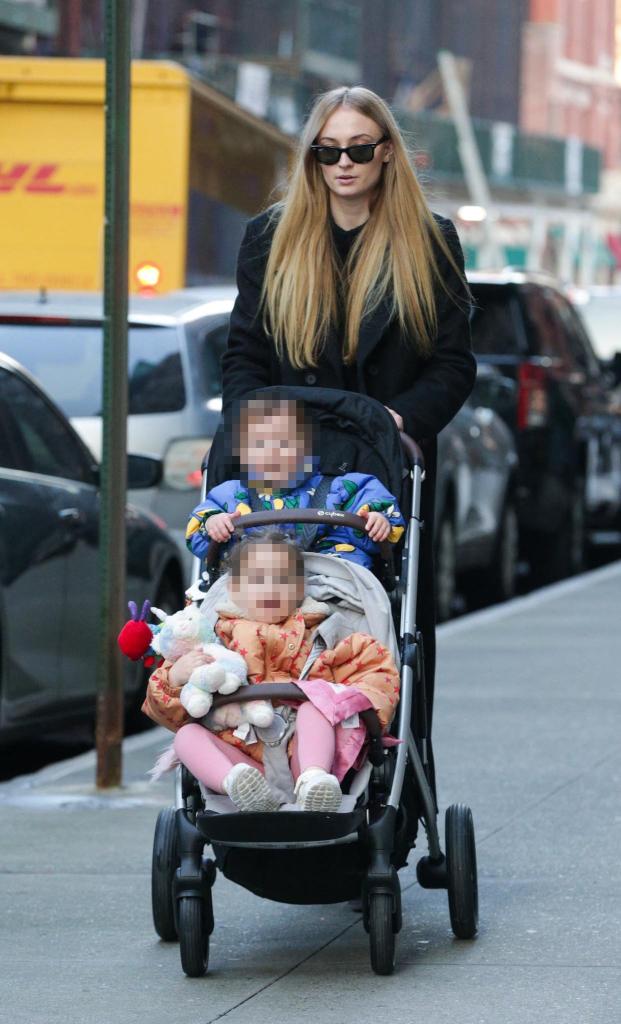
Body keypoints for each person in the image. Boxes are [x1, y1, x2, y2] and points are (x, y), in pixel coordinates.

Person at [220, 85, 476, 795]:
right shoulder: (270, 238)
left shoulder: (429, 240)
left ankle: (391, 782)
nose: (342, 163)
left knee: (391, 631)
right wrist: (248, 434)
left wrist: (398, 423)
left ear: (385, 152)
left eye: (358, 149)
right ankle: (267, 766)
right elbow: (244, 355)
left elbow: (453, 364)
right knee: (269, 610)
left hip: (383, 466)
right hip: (283, 464)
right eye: (327, 151)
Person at [143, 532, 400, 813]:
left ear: (300, 588)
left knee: (319, 706)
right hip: (245, 758)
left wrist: (352, 707)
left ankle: (313, 782)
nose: (269, 589)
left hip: (309, 755)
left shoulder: (325, 634)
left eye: (281, 580)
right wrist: (177, 676)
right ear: (236, 590)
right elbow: (167, 711)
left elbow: (374, 671)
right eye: (257, 581)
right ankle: (235, 784)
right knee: (186, 737)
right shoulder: (215, 640)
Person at [186, 394, 404, 569]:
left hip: (328, 585)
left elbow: (376, 521)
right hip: (256, 590)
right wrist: (213, 524)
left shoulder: (342, 488)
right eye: (260, 446)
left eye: (285, 445)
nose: (273, 454)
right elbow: (199, 535)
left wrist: (377, 520)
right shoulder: (232, 494)